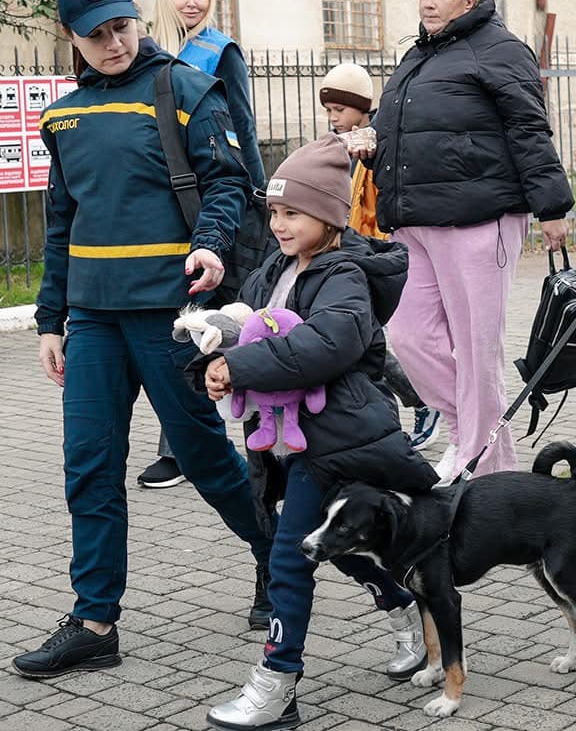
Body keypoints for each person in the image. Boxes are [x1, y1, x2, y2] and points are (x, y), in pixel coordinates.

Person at [12, 0, 274, 679]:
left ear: (137, 19)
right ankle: (94, 620)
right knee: (89, 465)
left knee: (202, 456)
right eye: (96, 35)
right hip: (94, 318)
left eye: (122, 26)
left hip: (169, 314)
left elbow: (228, 184)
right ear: (71, 37)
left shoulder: (186, 89)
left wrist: (211, 248)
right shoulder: (61, 116)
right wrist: (50, 319)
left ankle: (272, 552)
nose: (114, 43)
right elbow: (60, 222)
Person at [200, 135, 440, 730]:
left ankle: (277, 686)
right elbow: (248, 326)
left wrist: (243, 365)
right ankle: (402, 602)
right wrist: (213, 355)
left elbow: (326, 345)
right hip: (285, 441)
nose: (278, 225)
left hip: (336, 439)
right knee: (324, 547)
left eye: (293, 213)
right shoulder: (273, 271)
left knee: (288, 559)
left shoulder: (344, 277)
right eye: (274, 212)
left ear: (329, 216)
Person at [350, 0, 574, 480]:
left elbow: (527, 128)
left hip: (479, 218)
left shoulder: (499, 50)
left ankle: (480, 458)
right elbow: (402, 126)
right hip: (414, 218)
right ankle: (477, 440)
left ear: (469, 1)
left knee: (476, 351)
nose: (428, 2)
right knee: (408, 337)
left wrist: (552, 206)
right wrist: (372, 140)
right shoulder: (417, 56)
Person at [136, 0, 269, 491]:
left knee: (214, 320)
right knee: (182, 319)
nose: (192, 4)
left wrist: (261, 202)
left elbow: (244, 127)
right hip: (160, 206)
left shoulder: (219, 52)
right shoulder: (142, 53)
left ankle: (194, 443)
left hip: (215, 203)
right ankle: (190, 438)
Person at [319, 63, 441, 450]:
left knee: (373, 341)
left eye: (339, 109)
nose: (333, 117)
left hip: (375, 256)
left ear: (360, 107)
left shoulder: (372, 146)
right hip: (354, 254)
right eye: (329, 110)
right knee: (367, 340)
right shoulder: (347, 147)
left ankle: (425, 399)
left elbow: (377, 208)